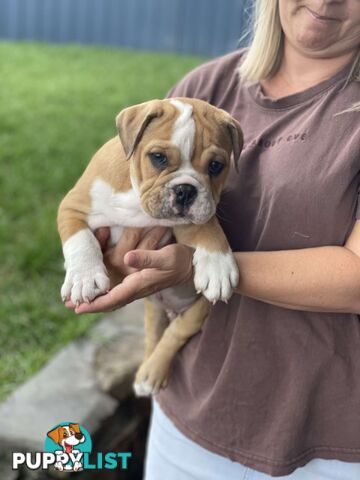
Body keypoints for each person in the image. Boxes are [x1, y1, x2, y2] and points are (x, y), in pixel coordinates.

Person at [69, 0, 360, 478]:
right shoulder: (204, 88)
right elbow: (140, 207)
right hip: (190, 409)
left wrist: (199, 264)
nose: (327, 1)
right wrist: (111, 251)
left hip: (327, 438)